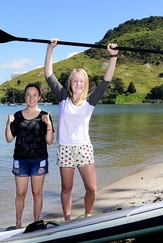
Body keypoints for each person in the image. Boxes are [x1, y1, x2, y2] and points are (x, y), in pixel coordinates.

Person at [44, 38, 118, 221]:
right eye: (75, 81)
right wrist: (50, 49)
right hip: (66, 149)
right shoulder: (62, 97)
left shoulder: (90, 101)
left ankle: (87, 215)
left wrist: (113, 57)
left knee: (92, 188)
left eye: (81, 81)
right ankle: (67, 219)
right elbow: (48, 74)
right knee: (66, 188)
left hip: (84, 148)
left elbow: (106, 81)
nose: (78, 84)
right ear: (70, 83)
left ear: (85, 84)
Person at [5, 83, 54, 229]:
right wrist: (9, 124)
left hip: (39, 160)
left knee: (37, 193)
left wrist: (49, 125)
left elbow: (50, 141)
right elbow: (9, 139)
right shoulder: (18, 116)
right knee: (20, 193)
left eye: (34, 95)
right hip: (21, 160)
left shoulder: (45, 116)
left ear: (39, 97)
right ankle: (18, 223)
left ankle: (36, 223)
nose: (31, 98)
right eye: (28, 95)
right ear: (24, 97)